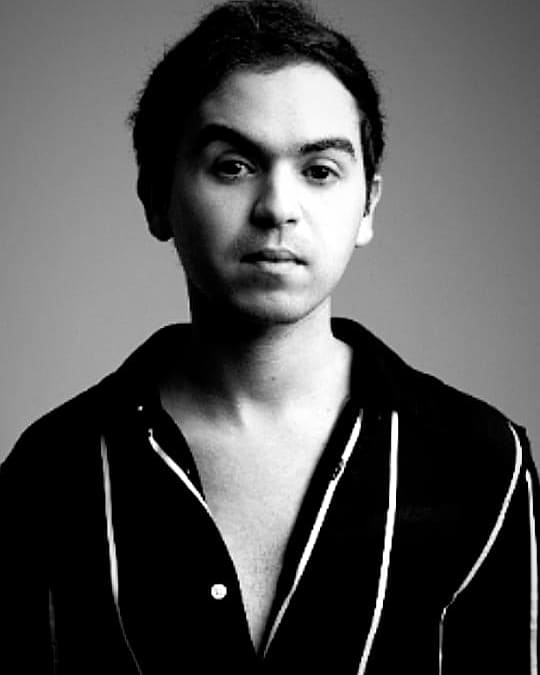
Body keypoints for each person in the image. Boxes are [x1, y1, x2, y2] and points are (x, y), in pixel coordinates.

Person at [0, 0, 537, 672]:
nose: (279, 207)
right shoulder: (53, 472)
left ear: (368, 204)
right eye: (233, 165)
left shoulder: (481, 463)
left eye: (320, 170)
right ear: (156, 196)